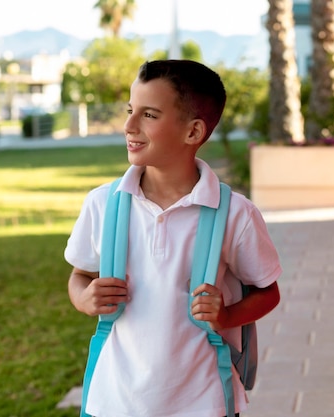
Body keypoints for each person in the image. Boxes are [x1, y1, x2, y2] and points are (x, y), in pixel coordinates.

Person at [64, 59, 282, 417]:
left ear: (193, 132)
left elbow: (268, 292)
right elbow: (80, 274)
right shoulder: (103, 203)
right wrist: (83, 298)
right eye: (130, 110)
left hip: (203, 401)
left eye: (149, 115)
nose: (129, 125)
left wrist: (227, 316)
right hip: (114, 400)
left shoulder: (236, 214)